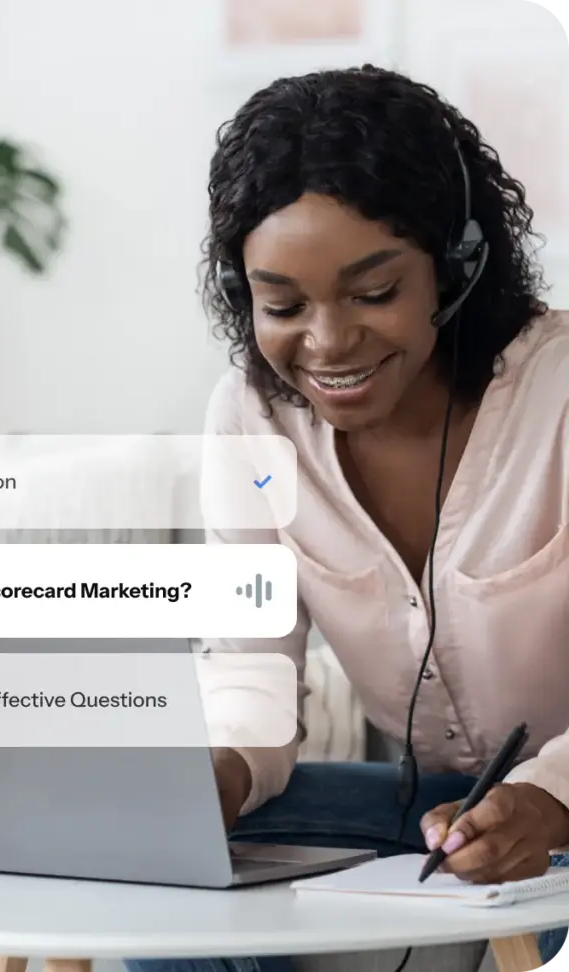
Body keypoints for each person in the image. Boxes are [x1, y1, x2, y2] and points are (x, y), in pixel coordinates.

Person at [126, 65, 569, 972]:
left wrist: (549, 802)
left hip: (559, 812)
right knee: (149, 876)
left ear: (458, 265)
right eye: (282, 305)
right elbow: (248, 660)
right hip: (437, 809)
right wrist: (220, 775)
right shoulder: (251, 420)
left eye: (373, 294)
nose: (326, 343)